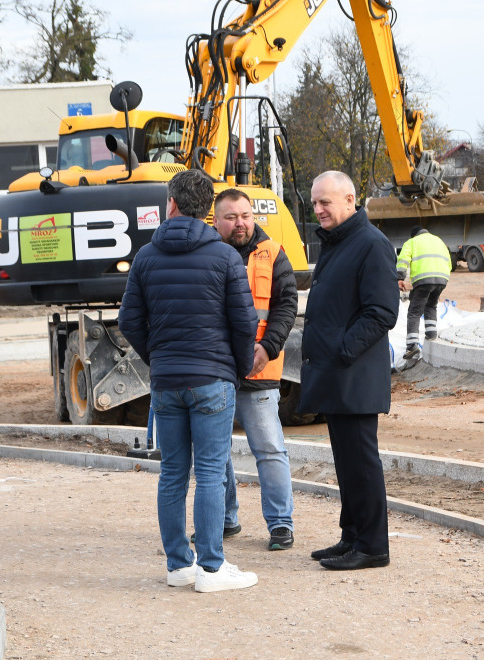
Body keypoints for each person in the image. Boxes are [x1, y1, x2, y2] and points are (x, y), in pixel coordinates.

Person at [118, 170, 260, 593]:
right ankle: (212, 570)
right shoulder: (225, 257)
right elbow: (245, 322)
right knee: (211, 471)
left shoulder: (146, 256)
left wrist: (157, 358)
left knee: (173, 473)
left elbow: (129, 321)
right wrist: (234, 370)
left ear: (173, 205)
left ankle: (179, 566)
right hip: (212, 379)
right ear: (208, 208)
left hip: (167, 381)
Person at [300, 170, 399, 571]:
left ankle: (372, 545)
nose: (319, 209)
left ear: (349, 200)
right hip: (337, 376)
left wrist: (342, 350)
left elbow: (381, 312)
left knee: (361, 462)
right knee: (346, 463)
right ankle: (352, 536)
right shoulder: (339, 242)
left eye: (326, 202)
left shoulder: (370, 244)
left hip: (354, 376)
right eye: (315, 203)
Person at [212, 187, 298, 551]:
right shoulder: (206, 255)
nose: (240, 223)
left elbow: (286, 304)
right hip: (216, 371)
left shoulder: (274, 253)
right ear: (215, 221)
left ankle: (280, 524)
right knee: (215, 453)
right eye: (231, 217)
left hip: (260, 370)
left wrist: (269, 346)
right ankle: (225, 520)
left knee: (270, 449)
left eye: (245, 215)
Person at [396, 226, 451, 361]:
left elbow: (403, 260)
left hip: (423, 279)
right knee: (431, 306)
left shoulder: (412, 242)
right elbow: (449, 261)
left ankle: (412, 345)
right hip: (442, 278)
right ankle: (431, 334)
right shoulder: (438, 240)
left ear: (414, 235)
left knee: (414, 311)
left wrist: (400, 278)